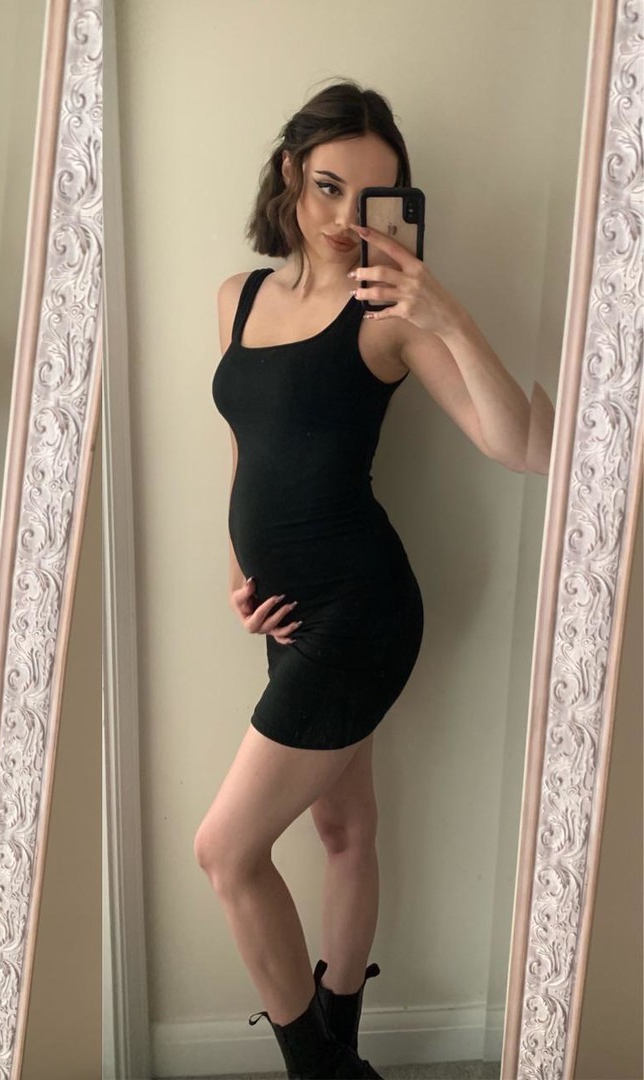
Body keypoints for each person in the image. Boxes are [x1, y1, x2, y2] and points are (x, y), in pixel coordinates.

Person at [198, 80, 533, 1079]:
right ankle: (343, 1042)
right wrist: (237, 573)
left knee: (225, 851)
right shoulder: (237, 297)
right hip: (285, 614)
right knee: (344, 830)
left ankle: (318, 1069)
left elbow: (520, 444)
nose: (347, 218)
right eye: (329, 187)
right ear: (291, 176)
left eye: (371, 197)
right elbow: (243, 450)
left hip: (362, 611)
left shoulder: (389, 312)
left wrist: (448, 312)